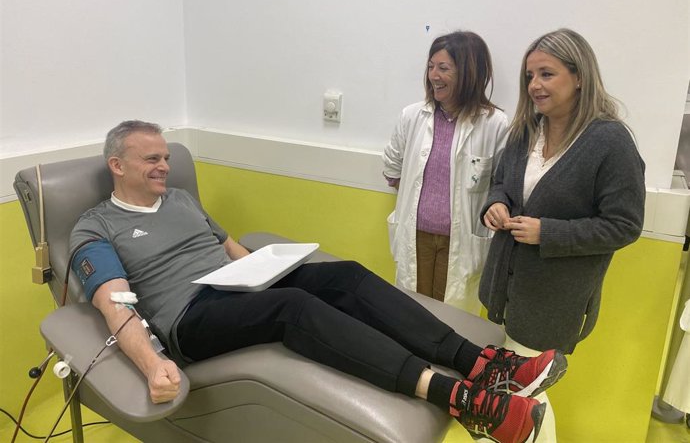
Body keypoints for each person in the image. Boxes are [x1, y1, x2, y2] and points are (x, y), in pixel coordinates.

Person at [70, 120, 567, 443]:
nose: (165, 166)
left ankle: (480, 363)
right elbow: (116, 307)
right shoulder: (96, 226)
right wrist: (154, 363)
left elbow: (227, 248)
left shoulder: (179, 200)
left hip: (236, 286)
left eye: (165, 157)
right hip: (191, 318)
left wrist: (267, 268)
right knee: (293, 308)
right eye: (151, 159)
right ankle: (456, 397)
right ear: (118, 166)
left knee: (344, 277)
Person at [479, 29, 646, 442]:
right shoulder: (524, 131)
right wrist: (495, 205)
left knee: (520, 394)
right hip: (505, 286)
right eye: (529, 76)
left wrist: (547, 233)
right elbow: (501, 184)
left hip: (554, 300)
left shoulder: (610, 142)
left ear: (580, 77)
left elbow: (624, 225)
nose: (534, 85)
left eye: (547, 74)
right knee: (518, 393)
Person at [383, 31, 508, 313]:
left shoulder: (495, 124)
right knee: (411, 313)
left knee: (452, 319)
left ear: (469, 73)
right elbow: (392, 167)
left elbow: (502, 184)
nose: (433, 76)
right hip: (416, 235)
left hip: (462, 242)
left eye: (443, 68)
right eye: (430, 67)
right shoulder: (413, 116)